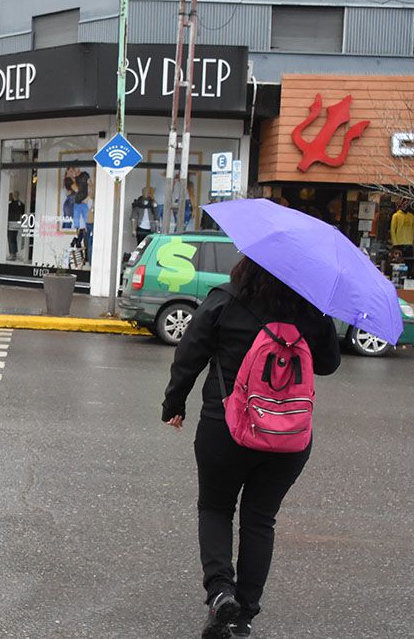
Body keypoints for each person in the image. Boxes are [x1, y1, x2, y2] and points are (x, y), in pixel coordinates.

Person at [161, 256, 341, 639]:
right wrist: (318, 318)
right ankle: (243, 614)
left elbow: (189, 354)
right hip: (288, 437)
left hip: (224, 427)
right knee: (260, 520)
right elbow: (328, 364)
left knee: (215, 506)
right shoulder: (309, 310)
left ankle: (220, 592)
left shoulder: (225, 299)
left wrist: (174, 404)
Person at [7, 192, 26, 260]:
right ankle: (14, 253)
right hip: (17, 223)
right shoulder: (20, 204)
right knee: (13, 239)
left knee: (11, 239)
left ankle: (12, 254)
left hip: (11, 224)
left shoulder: (11, 205)